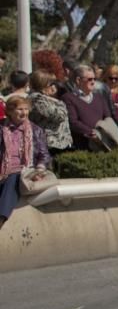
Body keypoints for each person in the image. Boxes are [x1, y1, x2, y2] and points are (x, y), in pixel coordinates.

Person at [1, 96, 52, 231]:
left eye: (26, 109)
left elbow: (44, 156)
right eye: (20, 109)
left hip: (24, 172)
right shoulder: (1, 128)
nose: (24, 112)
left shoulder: (35, 130)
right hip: (2, 171)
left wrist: (39, 171)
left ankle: (1, 219)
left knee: (13, 179)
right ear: (10, 111)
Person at [62, 64, 112, 151]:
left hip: (102, 142)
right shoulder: (68, 98)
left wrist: (102, 133)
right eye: (89, 79)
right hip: (82, 145)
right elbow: (73, 121)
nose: (93, 82)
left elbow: (107, 117)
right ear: (78, 80)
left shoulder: (99, 97)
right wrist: (91, 132)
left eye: (94, 79)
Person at [28, 70, 72, 155]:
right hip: (50, 144)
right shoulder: (37, 99)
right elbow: (60, 116)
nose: (54, 86)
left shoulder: (46, 98)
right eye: (52, 83)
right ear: (44, 84)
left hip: (60, 143)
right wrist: (59, 102)